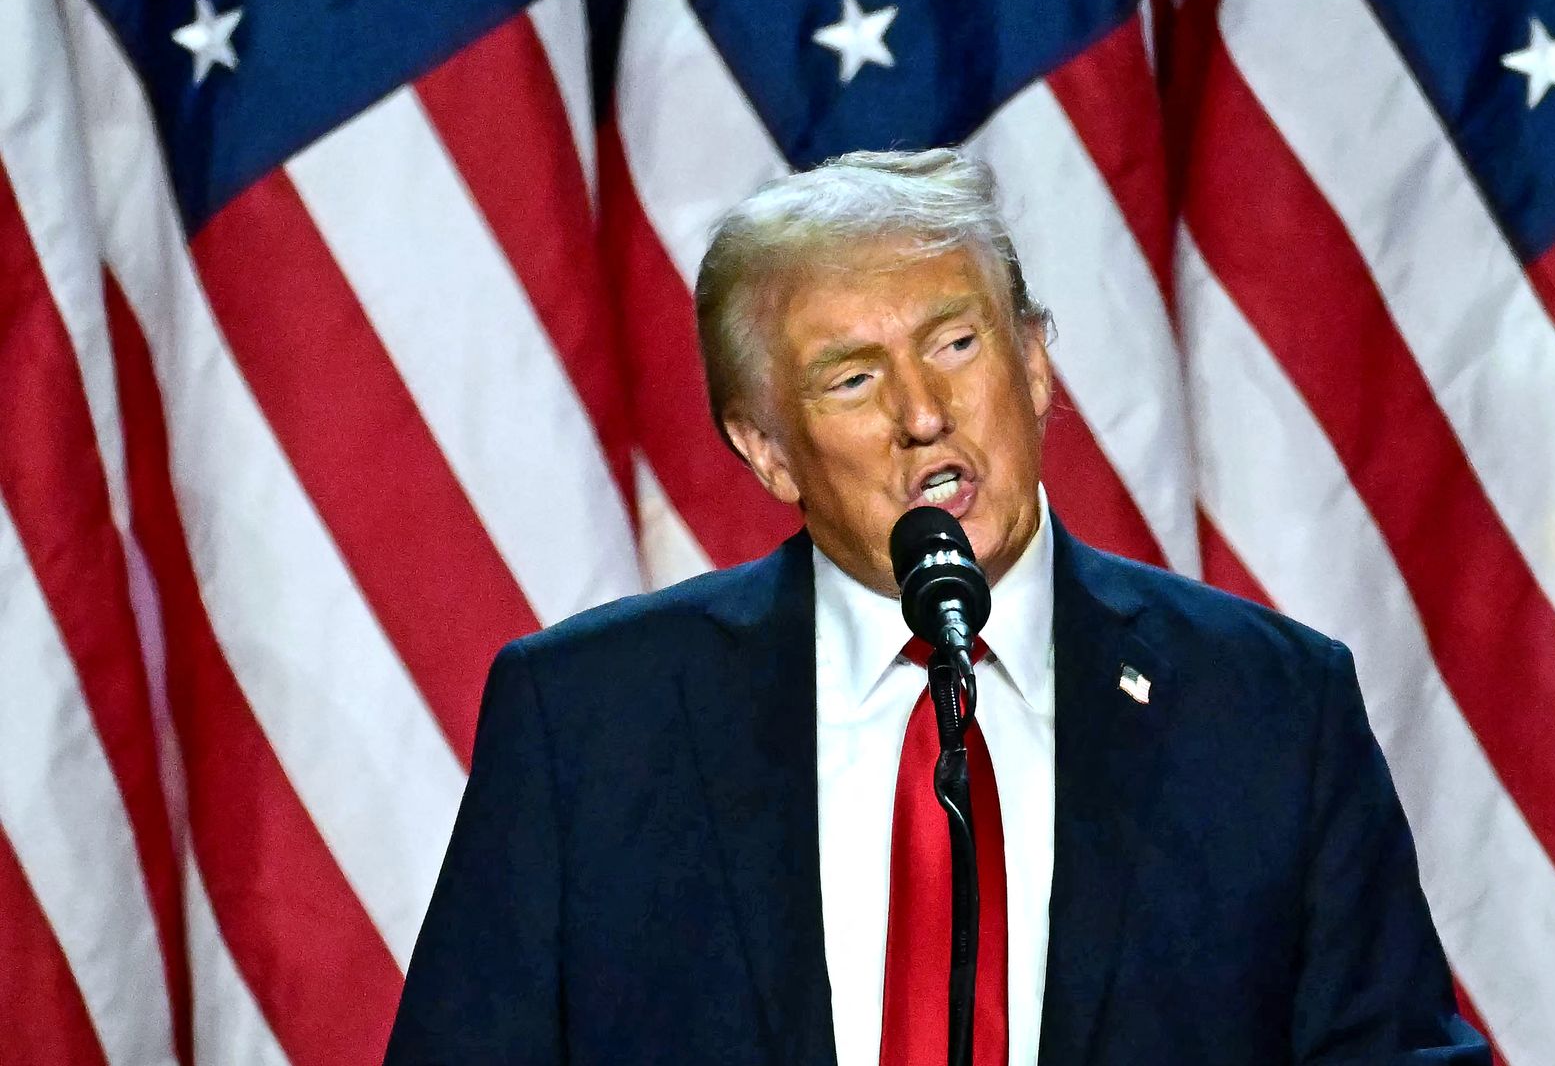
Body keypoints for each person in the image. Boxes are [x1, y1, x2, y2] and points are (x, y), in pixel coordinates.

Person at [385, 149, 1488, 1065]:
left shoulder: (1265, 706)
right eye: (853, 379)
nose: (923, 413)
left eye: (957, 345)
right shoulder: (590, 721)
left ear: (1037, 365)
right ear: (769, 451)